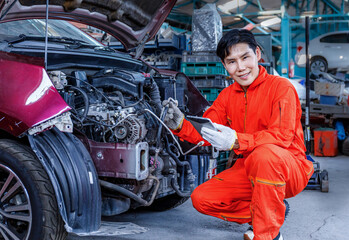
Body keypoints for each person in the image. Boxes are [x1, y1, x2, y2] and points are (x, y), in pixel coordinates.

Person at [163, 29, 314, 240]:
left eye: (245, 58)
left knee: (265, 155)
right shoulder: (226, 96)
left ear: (258, 54)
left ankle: (268, 235)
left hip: (289, 166)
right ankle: (270, 209)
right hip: (249, 167)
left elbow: (282, 136)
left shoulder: (281, 88)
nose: (241, 67)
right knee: (201, 198)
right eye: (232, 61)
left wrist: (236, 140)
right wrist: (180, 125)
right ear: (224, 66)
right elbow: (208, 130)